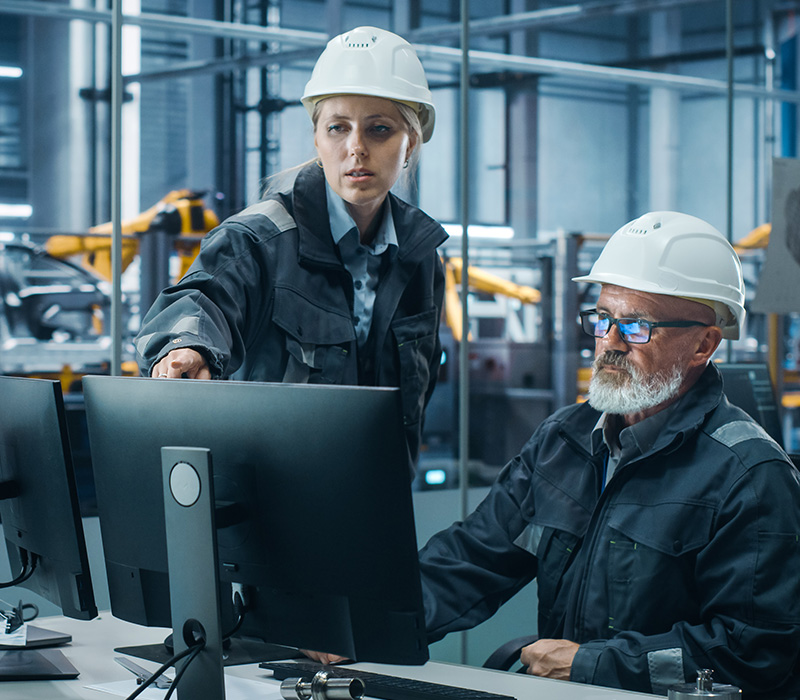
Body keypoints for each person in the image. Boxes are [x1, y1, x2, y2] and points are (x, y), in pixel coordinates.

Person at [417, 211, 800, 698]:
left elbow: (754, 651)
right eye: (602, 319)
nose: (609, 343)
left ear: (704, 343)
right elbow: (472, 560)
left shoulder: (749, 475)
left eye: (637, 326)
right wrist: (366, 622)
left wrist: (592, 665)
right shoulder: (564, 441)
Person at [134, 26, 447, 468]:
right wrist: (187, 347)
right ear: (317, 139)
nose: (356, 148)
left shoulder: (421, 258)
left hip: (376, 506)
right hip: (268, 514)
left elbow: (416, 398)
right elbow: (201, 298)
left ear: (410, 143)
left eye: (379, 130)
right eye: (338, 128)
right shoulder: (257, 240)